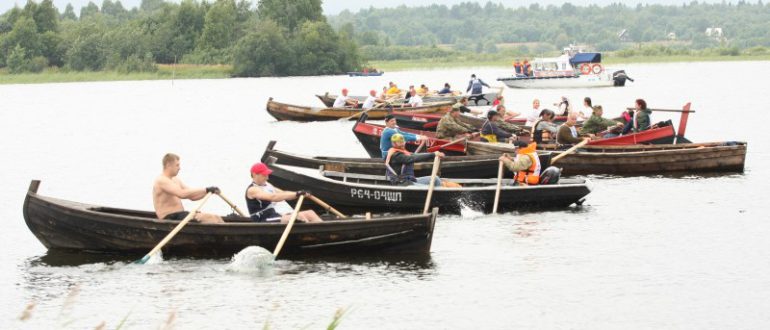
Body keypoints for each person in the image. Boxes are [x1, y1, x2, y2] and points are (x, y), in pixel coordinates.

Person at [152, 153, 224, 223]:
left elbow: (192, 196)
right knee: (211, 218)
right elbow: (181, 194)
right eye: (177, 165)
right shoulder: (161, 180)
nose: (179, 168)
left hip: (180, 216)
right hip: (169, 218)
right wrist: (206, 189)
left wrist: (208, 192)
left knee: (217, 218)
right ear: (168, 165)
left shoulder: (175, 180)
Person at [245, 162, 323, 223]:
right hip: (263, 219)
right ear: (255, 175)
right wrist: (297, 194)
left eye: (267, 175)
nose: (267, 178)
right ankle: (310, 234)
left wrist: (300, 192)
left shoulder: (267, 185)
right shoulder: (253, 189)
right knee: (299, 218)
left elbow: (283, 193)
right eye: (264, 175)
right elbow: (273, 197)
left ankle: (324, 232)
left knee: (310, 213)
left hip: (274, 215)